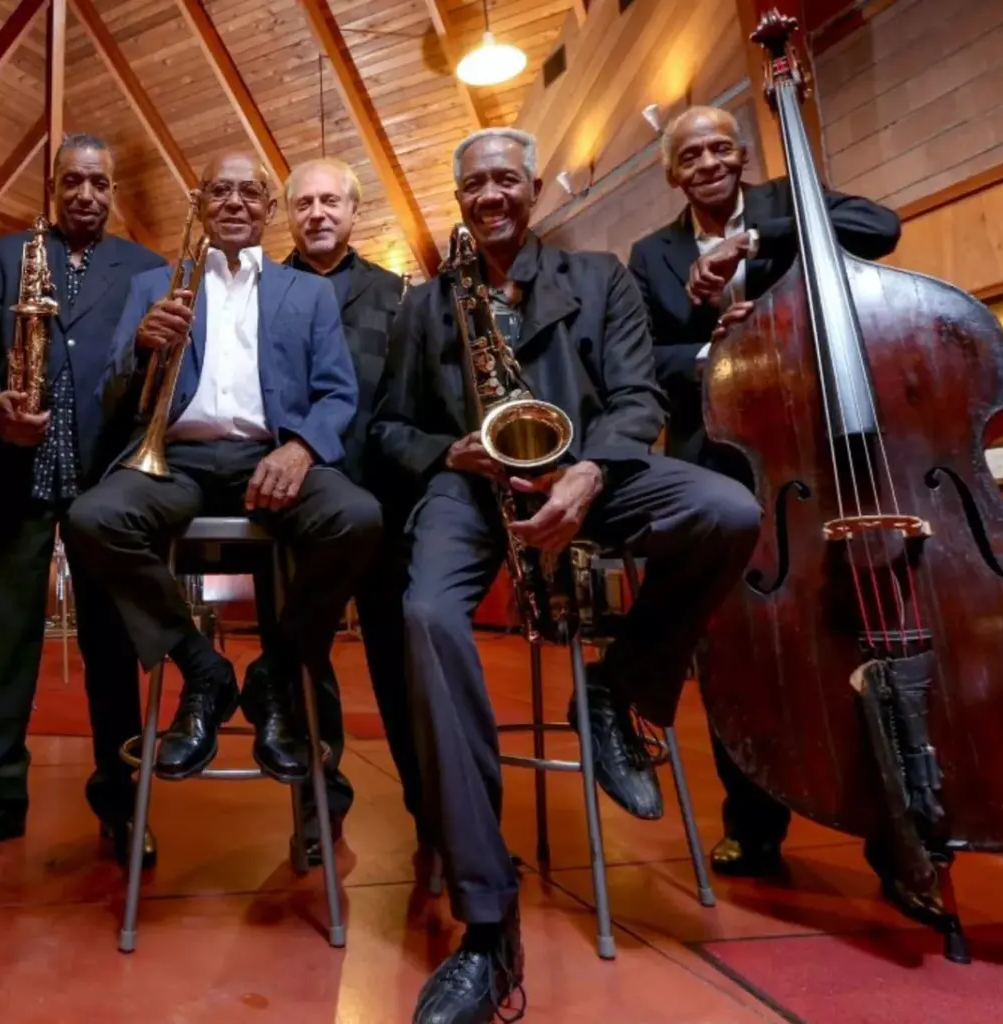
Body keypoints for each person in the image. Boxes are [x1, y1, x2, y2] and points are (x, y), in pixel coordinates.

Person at [372, 127, 761, 1024]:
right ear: (459, 196)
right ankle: (487, 923)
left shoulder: (600, 280)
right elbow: (390, 431)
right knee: (427, 616)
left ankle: (618, 686)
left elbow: (638, 398)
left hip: (593, 474)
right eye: (476, 183)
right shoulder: (425, 305)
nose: (492, 194)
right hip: (471, 492)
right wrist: (453, 452)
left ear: (535, 188)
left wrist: (590, 469)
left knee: (727, 513)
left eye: (507, 179)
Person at [627, 105, 900, 877]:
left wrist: (753, 240)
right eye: (691, 155)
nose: (708, 162)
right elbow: (645, 358)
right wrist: (713, 346)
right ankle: (752, 824)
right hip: (717, 461)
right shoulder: (650, 253)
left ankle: (891, 827)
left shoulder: (789, 205)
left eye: (721, 148)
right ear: (671, 173)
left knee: (855, 636)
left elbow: (882, 225)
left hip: (819, 455)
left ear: (742, 156)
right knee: (735, 645)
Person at [63, 150, 382, 791]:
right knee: (91, 517)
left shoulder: (308, 292)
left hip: (272, 460)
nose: (233, 203)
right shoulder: (155, 284)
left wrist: (303, 450)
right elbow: (111, 395)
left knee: (357, 516)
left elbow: (338, 394)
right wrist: (139, 346)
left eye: (248, 193)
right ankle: (201, 666)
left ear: (268, 209)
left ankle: (275, 668)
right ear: (201, 206)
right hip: (173, 460)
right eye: (219, 191)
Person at [0, 134, 165, 870]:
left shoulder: (147, 267)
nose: (86, 194)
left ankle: (121, 804)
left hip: (106, 476)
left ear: (113, 190)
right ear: (53, 189)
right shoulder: (3, 255)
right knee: (5, 641)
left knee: (111, 646)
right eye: (72, 182)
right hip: (13, 463)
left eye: (99, 182)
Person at [268, 156, 414, 866]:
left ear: (356, 214)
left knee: (400, 661)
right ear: (289, 215)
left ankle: (433, 812)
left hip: (384, 504)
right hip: (298, 506)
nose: (318, 213)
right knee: (305, 665)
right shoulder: (264, 293)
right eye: (304, 203)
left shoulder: (398, 296)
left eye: (332, 202)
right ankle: (317, 813)